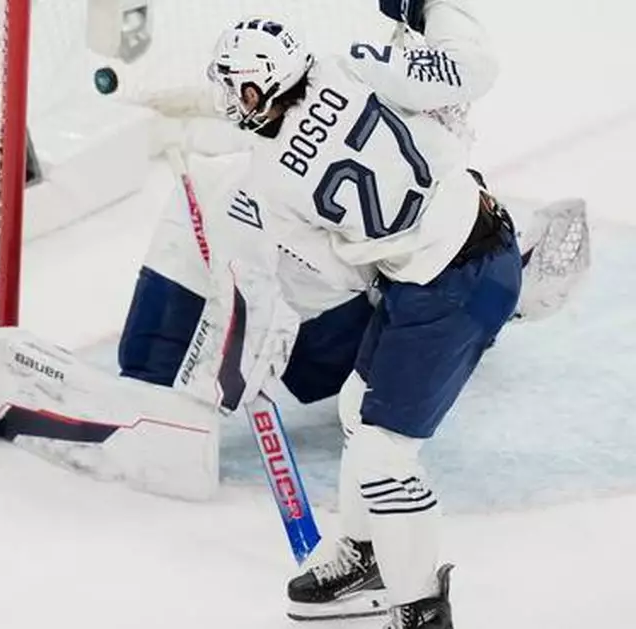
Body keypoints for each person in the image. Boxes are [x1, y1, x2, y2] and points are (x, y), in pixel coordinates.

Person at [200, 1, 519, 627]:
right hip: (475, 245)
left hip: (447, 286)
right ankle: (367, 554)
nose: (228, 99)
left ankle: (420, 609)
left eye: (233, 84)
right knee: (358, 404)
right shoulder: (360, 63)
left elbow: (343, 279)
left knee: (383, 457)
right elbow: (471, 68)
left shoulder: (267, 182)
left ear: (258, 85)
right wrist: (432, 9)